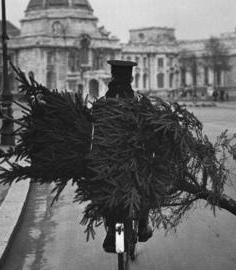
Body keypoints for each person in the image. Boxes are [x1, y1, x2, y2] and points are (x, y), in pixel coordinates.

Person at [102, 60, 153, 253]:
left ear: (112, 78)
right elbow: (152, 130)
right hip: (136, 159)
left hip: (108, 161)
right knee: (147, 184)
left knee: (104, 188)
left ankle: (111, 233)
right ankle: (142, 225)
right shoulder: (141, 103)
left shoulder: (102, 103)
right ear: (131, 78)